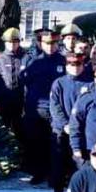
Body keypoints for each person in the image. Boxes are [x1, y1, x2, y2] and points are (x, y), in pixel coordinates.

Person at [19, 29, 66, 183]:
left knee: (55, 144)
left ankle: (54, 174)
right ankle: (38, 173)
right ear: (40, 43)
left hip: (56, 110)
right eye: (47, 43)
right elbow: (23, 83)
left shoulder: (64, 61)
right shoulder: (32, 61)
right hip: (35, 109)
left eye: (54, 43)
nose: (51, 46)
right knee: (36, 142)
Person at [48, 52, 92, 192]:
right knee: (59, 167)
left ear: (83, 65)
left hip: (82, 133)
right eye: (71, 64)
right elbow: (55, 107)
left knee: (80, 168)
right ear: (66, 66)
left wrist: (78, 128)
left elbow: (90, 109)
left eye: (78, 64)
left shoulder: (90, 84)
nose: (75, 67)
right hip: (62, 132)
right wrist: (66, 125)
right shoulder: (58, 83)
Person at [0, 28, 26, 134]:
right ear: (5, 42)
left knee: (21, 131)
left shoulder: (26, 58)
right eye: (9, 42)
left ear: (19, 42)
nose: (12, 44)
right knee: (2, 131)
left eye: (15, 41)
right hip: (3, 102)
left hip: (21, 102)